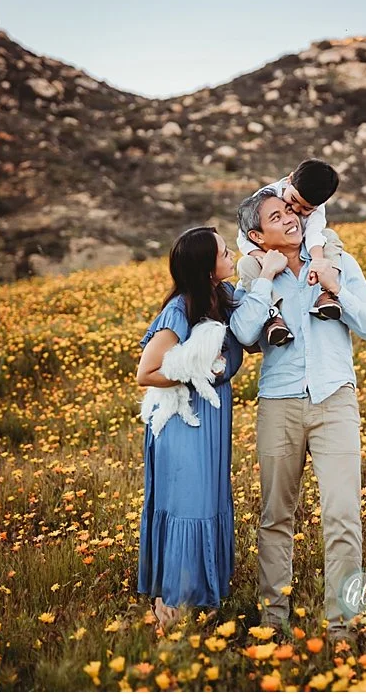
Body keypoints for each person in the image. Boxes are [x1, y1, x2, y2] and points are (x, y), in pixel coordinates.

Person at [229, 188, 366, 645]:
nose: (291, 220)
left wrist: (336, 288)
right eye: (276, 218)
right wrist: (264, 281)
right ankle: (272, 624)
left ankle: (342, 628)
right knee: (277, 515)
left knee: (343, 515)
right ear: (257, 236)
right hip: (279, 403)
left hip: (336, 399)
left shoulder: (339, 261)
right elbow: (242, 333)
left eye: (290, 212)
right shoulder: (255, 273)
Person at [136, 226, 246, 630]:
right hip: (184, 423)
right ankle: (174, 598)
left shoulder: (223, 299)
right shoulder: (179, 310)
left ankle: (201, 593)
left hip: (211, 419)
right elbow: (146, 373)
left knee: (208, 501)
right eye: (223, 251)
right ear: (207, 269)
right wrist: (195, 369)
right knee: (190, 505)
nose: (230, 253)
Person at [236, 159, 349, 346]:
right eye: (293, 202)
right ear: (289, 180)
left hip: (304, 250)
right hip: (271, 252)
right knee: (246, 264)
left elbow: (314, 234)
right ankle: (273, 317)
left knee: (330, 238)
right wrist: (264, 259)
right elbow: (243, 237)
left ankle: (327, 293)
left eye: (306, 209)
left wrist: (318, 263)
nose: (296, 211)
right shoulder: (266, 196)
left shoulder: (318, 210)